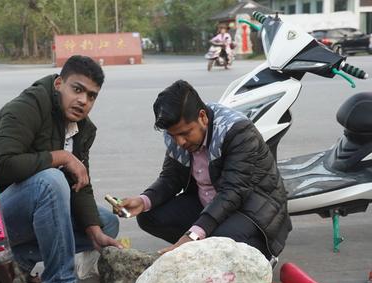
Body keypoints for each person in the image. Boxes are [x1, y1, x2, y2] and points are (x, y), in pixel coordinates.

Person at [0, 55, 121, 283]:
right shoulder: (27, 106)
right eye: (77, 89)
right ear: (59, 84)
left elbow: (80, 183)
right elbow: (1, 165)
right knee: (52, 179)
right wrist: (61, 157)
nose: (83, 101)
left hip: (26, 215)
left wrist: (93, 230)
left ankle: (17, 263)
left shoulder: (83, 129)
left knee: (107, 224)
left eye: (91, 96)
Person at [119, 80, 291, 263]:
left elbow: (232, 192)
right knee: (148, 215)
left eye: (185, 133)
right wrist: (143, 200)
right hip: (209, 204)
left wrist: (193, 235)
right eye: (173, 135)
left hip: (251, 210)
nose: (180, 142)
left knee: (222, 239)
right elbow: (171, 178)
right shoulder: (176, 132)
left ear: (203, 117)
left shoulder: (237, 132)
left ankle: (261, 255)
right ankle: (203, 248)